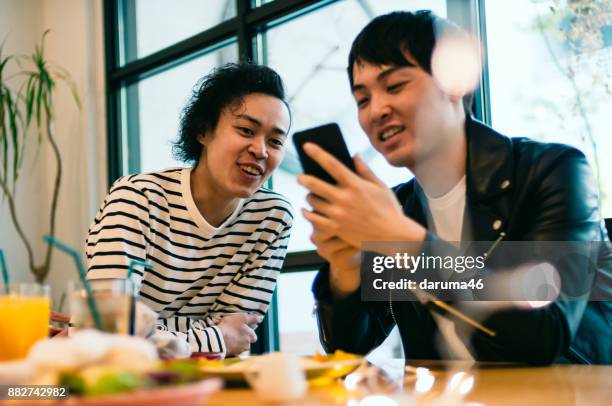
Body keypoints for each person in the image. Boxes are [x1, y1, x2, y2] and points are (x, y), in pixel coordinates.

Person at [300, 11, 611, 364]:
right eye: (362, 99)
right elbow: (351, 346)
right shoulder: (401, 207)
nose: (376, 111)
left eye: (395, 86)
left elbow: (543, 337)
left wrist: (407, 242)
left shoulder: (552, 171)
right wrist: (346, 270)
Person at [86, 63, 293, 357]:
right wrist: (216, 337)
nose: (260, 150)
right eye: (246, 130)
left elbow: (238, 330)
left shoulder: (272, 217)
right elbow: (108, 331)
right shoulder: (139, 198)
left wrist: (151, 330)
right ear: (203, 131)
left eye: (275, 141)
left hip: (209, 383)